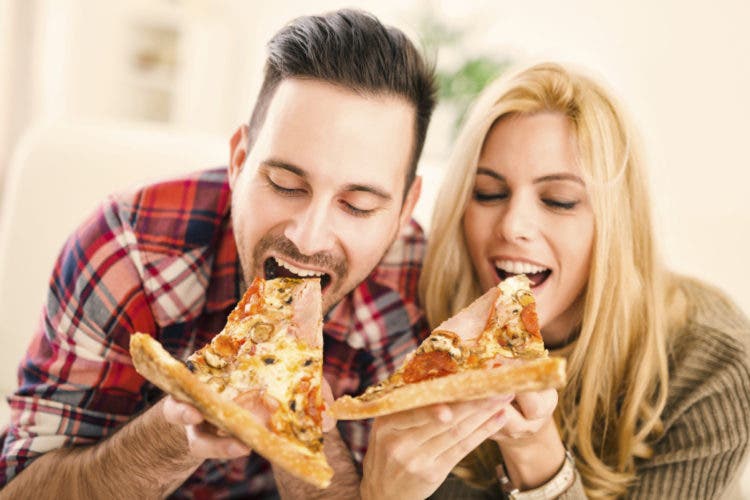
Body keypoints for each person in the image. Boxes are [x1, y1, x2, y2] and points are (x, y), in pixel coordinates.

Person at [0, 9, 437, 498]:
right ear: (239, 161)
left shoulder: (419, 285)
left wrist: (300, 421)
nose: (310, 238)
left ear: (405, 209)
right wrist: (173, 427)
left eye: (357, 206)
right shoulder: (125, 251)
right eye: (285, 184)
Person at [360, 62, 750, 499]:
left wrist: (536, 458)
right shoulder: (427, 328)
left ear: (617, 223)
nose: (514, 225)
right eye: (490, 193)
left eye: (559, 200)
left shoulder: (712, 363)